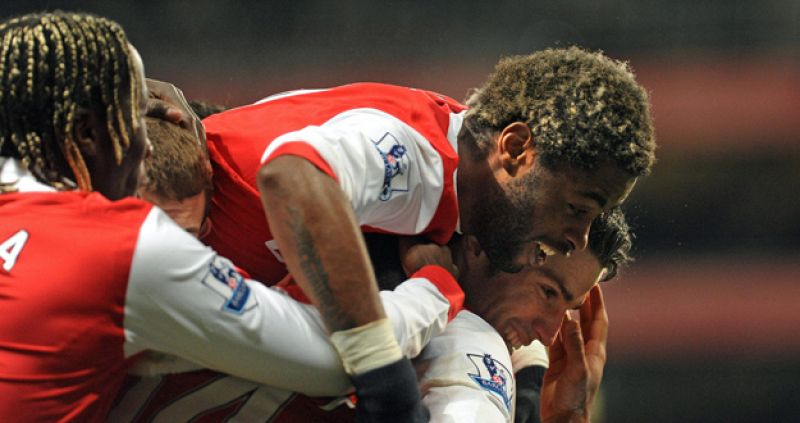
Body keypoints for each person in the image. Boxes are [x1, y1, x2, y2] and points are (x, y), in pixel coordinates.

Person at [145, 48, 655, 420]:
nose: (577, 238)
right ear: (517, 149)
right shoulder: (415, 154)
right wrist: (384, 379)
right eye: (577, 208)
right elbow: (292, 178)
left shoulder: (443, 209)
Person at [0, 11, 462, 421]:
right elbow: (332, 363)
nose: (147, 148)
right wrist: (432, 289)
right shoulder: (127, 247)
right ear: (85, 134)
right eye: (135, 125)